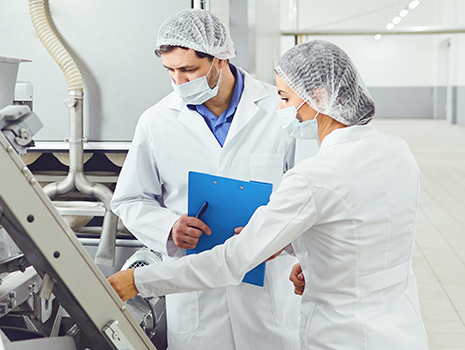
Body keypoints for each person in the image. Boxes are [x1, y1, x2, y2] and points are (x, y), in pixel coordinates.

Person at [109, 40, 429, 350]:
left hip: (341, 333)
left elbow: (231, 261)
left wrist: (137, 281)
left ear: (318, 97)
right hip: (400, 327)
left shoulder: (313, 176)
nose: (280, 108)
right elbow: (364, 228)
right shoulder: (396, 151)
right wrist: (310, 255)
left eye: (285, 98)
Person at [110, 9, 301, 350]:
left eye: (189, 70)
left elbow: (306, 197)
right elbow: (129, 199)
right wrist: (168, 228)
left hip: (266, 291)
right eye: (170, 71)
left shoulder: (280, 110)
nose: (179, 81)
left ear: (220, 58)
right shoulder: (156, 121)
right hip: (196, 300)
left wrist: (279, 235)